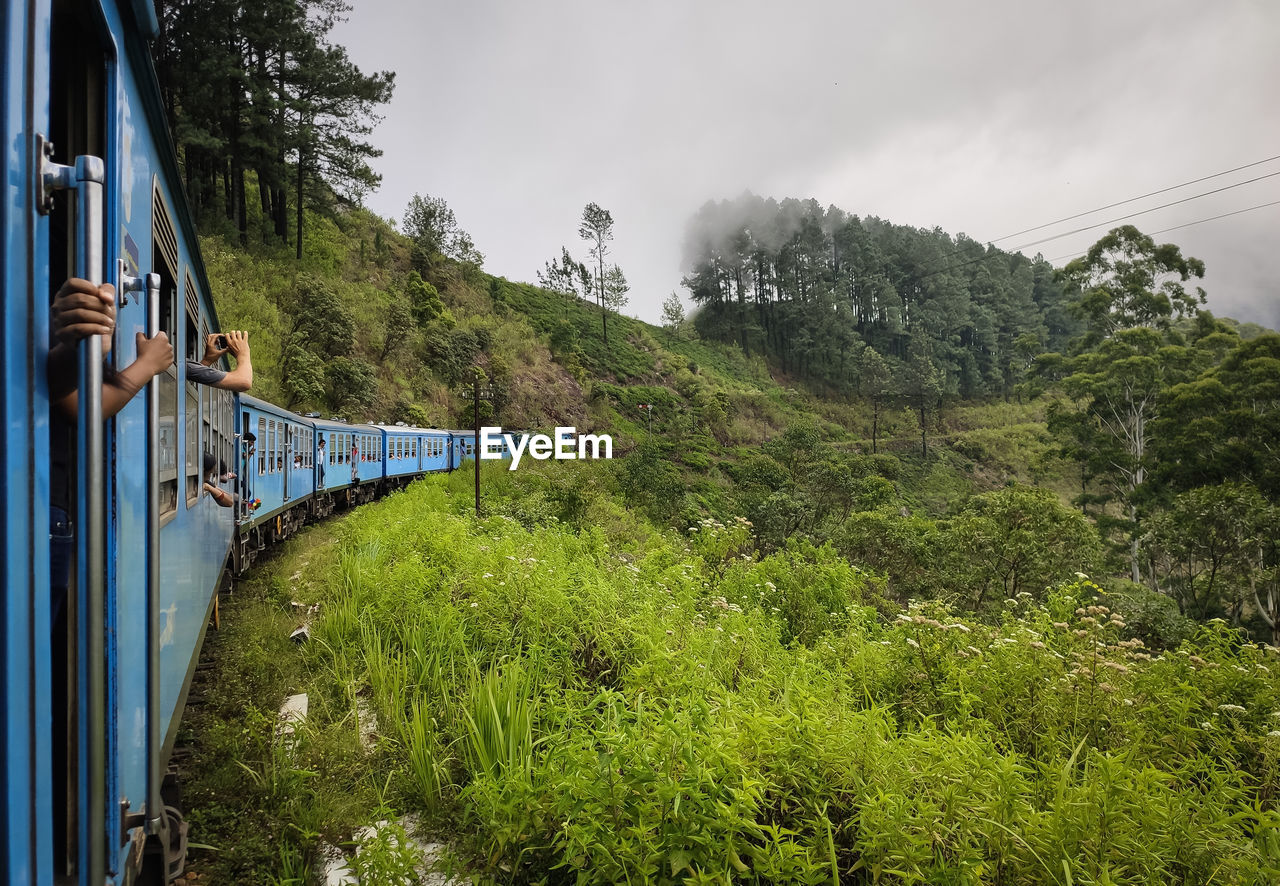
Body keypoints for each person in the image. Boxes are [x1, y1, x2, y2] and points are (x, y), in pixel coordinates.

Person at [186, 329, 253, 391]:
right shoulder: (186, 366)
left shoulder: (185, 366)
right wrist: (243, 354)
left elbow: (188, 378)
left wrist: (207, 360)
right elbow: (244, 381)